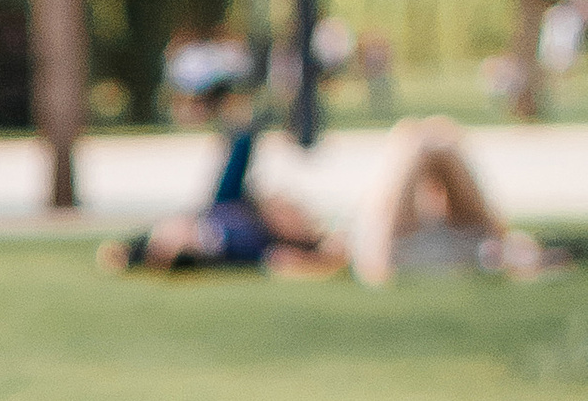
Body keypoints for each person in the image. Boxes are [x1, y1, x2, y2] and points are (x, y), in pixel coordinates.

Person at [97, 125, 346, 276]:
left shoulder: (241, 235)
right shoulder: (246, 243)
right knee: (242, 143)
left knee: (242, 144)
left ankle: (250, 116)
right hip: (237, 215)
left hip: (230, 211)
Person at [350, 115, 562, 287]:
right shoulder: (482, 242)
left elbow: (376, 262)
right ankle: (416, 148)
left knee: (425, 142)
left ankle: (415, 149)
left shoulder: (481, 242)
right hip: (417, 246)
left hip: (417, 245)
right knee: (424, 142)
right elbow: (376, 264)